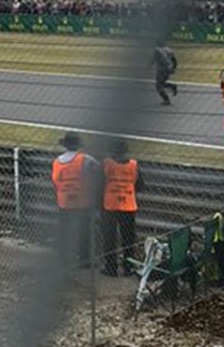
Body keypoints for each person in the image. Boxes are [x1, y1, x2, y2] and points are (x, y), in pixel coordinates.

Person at [51, 132, 101, 265]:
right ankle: (85, 259)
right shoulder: (86, 159)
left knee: (64, 230)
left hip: (64, 201)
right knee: (85, 231)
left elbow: (55, 181)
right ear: (78, 145)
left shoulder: (57, 162)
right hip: (82, 200)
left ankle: (64, 258)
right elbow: (99, 170)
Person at [100, 139, 144, 276]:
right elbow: (140, 185)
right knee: (128, 238)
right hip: (128, 205)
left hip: (110, 205)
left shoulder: (106, 164)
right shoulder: (133, 165)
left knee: (109, 238)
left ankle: (111, 268)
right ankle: (128, 267)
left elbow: (99, 184)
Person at [152, 41, 178, 105]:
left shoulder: (157, 50)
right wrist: (173, 68)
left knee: (158, 85)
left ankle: (166, 100)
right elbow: (174, 60)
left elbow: (153, 59)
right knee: (162, 83)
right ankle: (172, 86)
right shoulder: (169, 50)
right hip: (168, 69)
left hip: (161, 70)